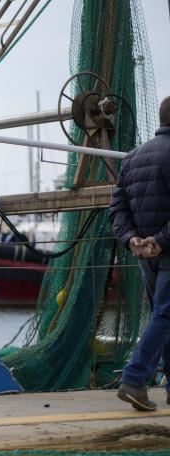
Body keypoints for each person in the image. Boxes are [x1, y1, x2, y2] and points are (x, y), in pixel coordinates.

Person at [109, 96, 170, 411]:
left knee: (164, 315)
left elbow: (117, 208)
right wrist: (160, 239)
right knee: (166, 315)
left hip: (145, 255)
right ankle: (134, 379)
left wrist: (132, 239)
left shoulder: (132, 158)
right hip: (166, 248)